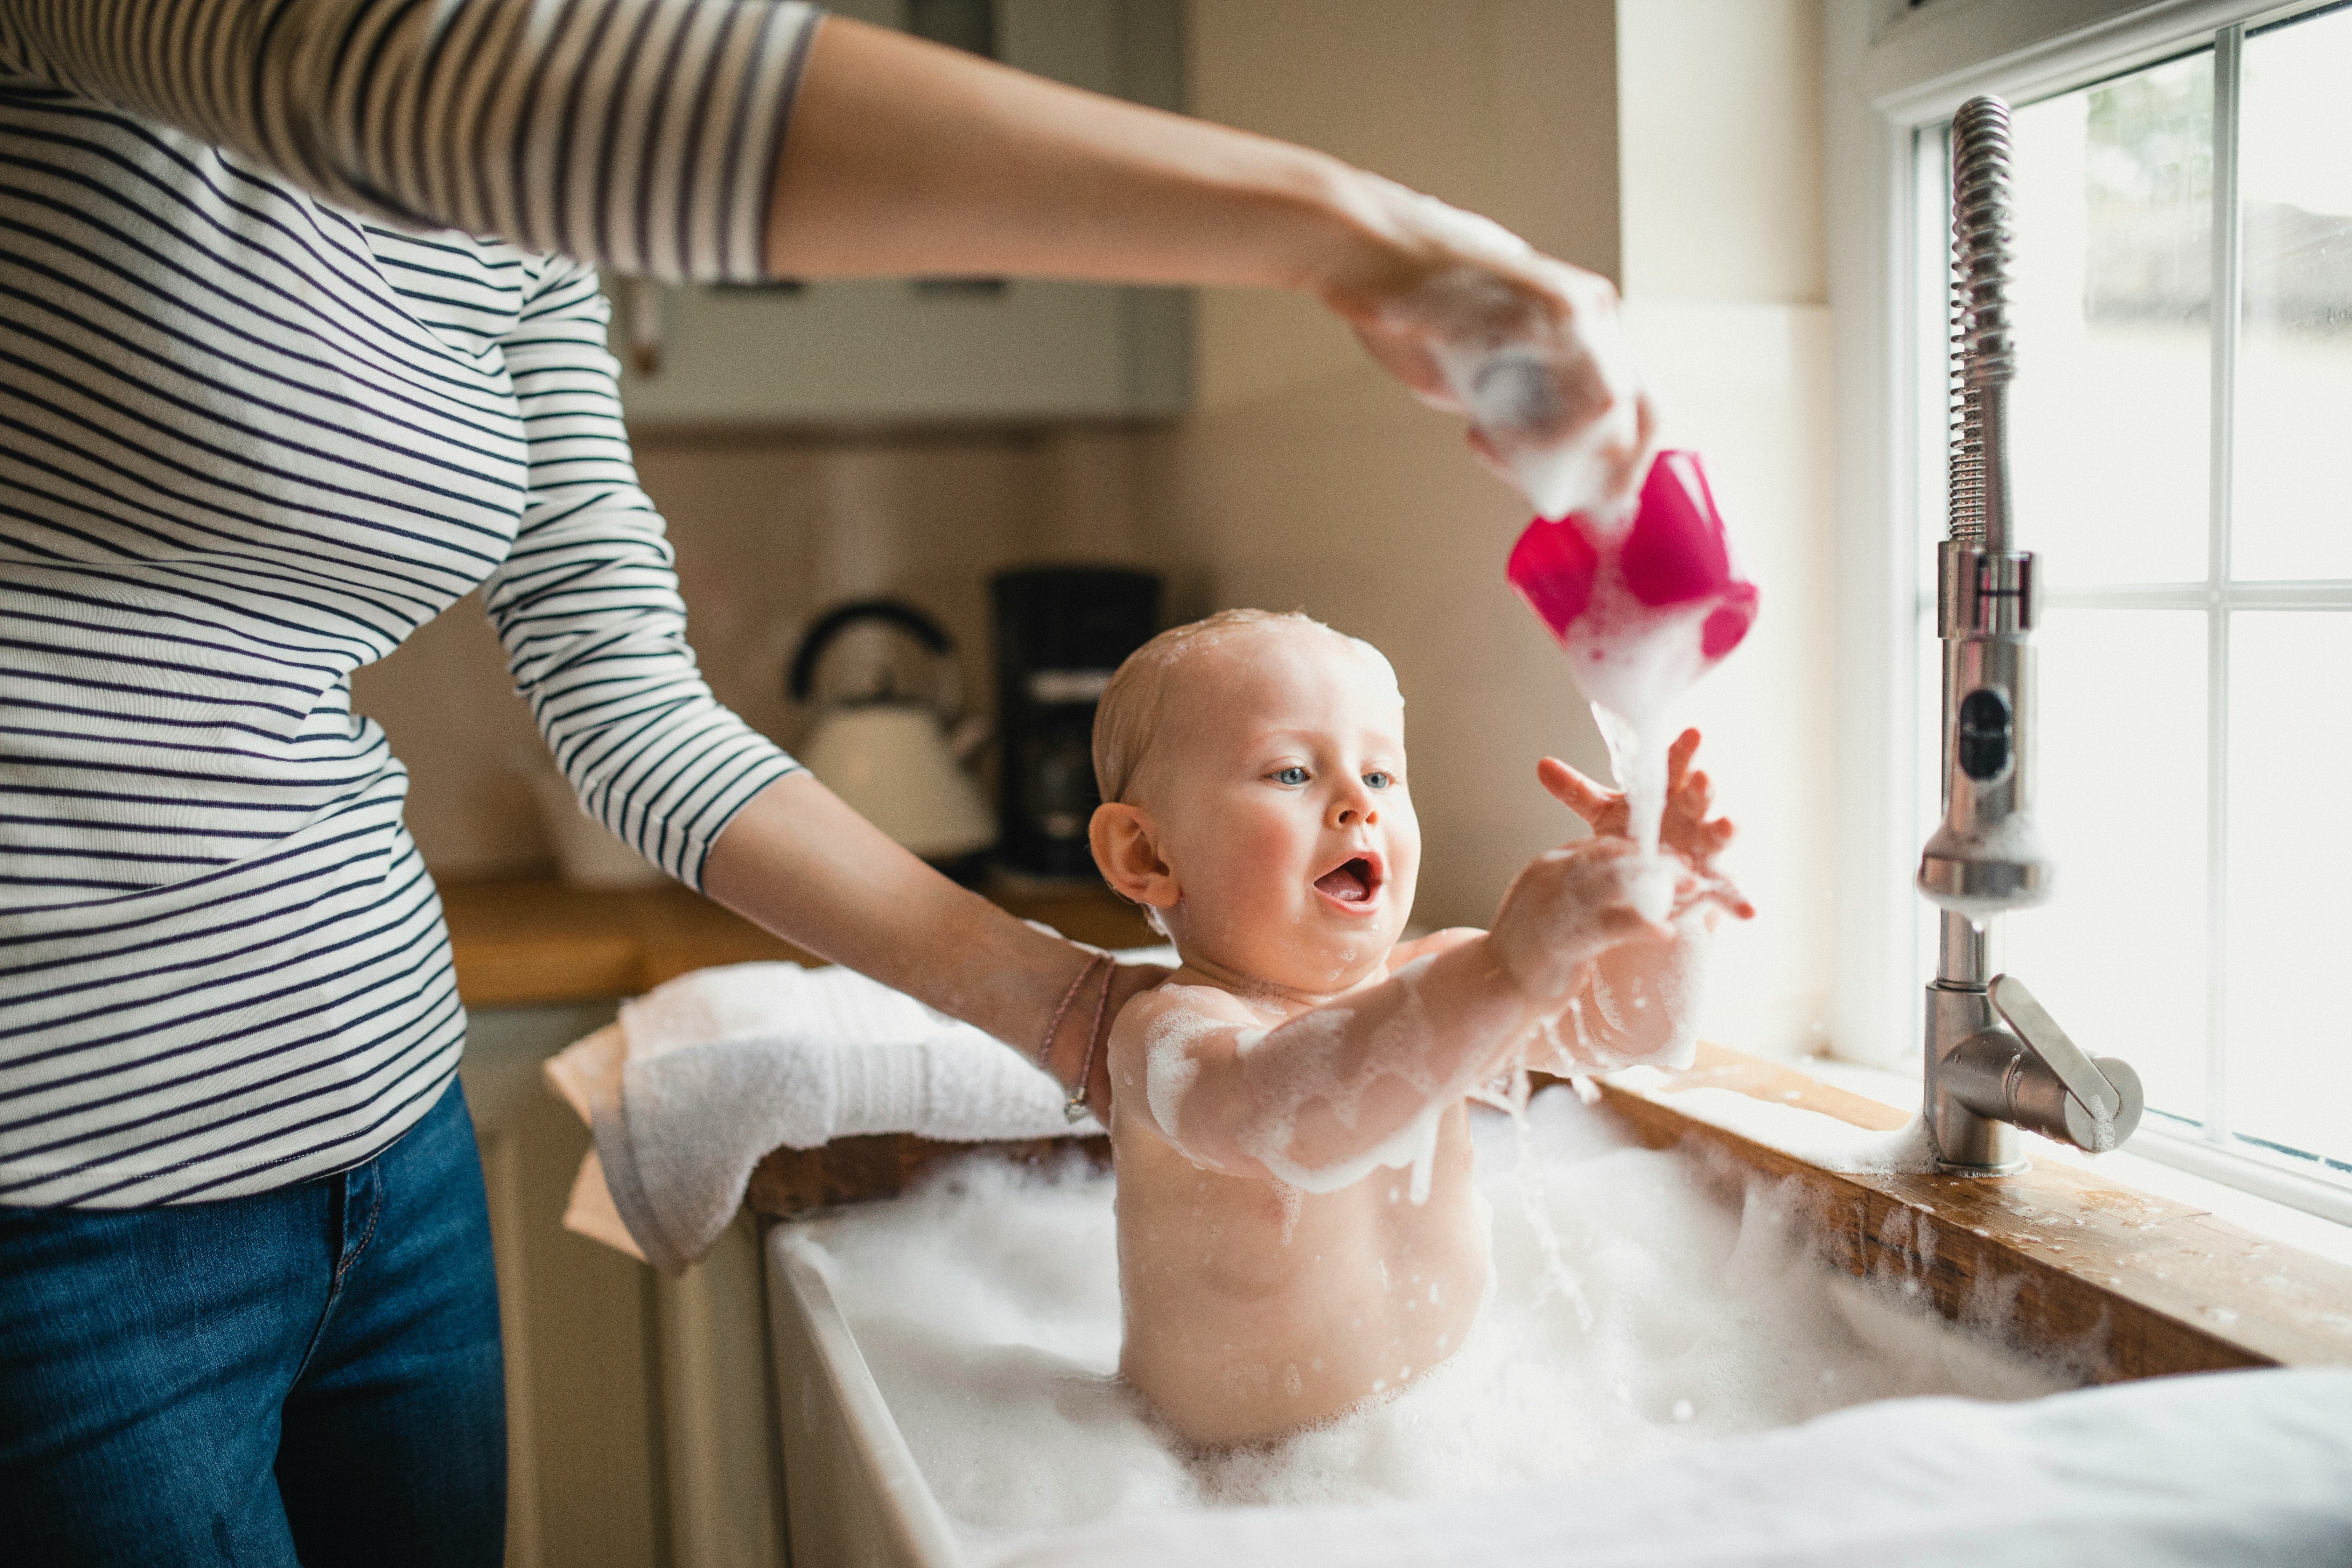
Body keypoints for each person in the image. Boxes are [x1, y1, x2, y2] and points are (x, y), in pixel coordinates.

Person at [0, 2, 1654, 1561]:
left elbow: (627, 699)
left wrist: (1069, 1012)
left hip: (387, 1139)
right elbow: (500, 81)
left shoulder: (519, 256)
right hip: (59, 1201)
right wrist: (1348, 231)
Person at [1087, 611, 1746, 1444]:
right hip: (1226, 1493)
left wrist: (1668, 904)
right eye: (1292, 772)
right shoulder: (1172, 1034)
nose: (1356, 803)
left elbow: (1639, 1030)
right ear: (1147, 855)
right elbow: (1281, 1115)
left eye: (1383, 775)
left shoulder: (1434, 980)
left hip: (1443, 1436)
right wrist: (1504, 970)